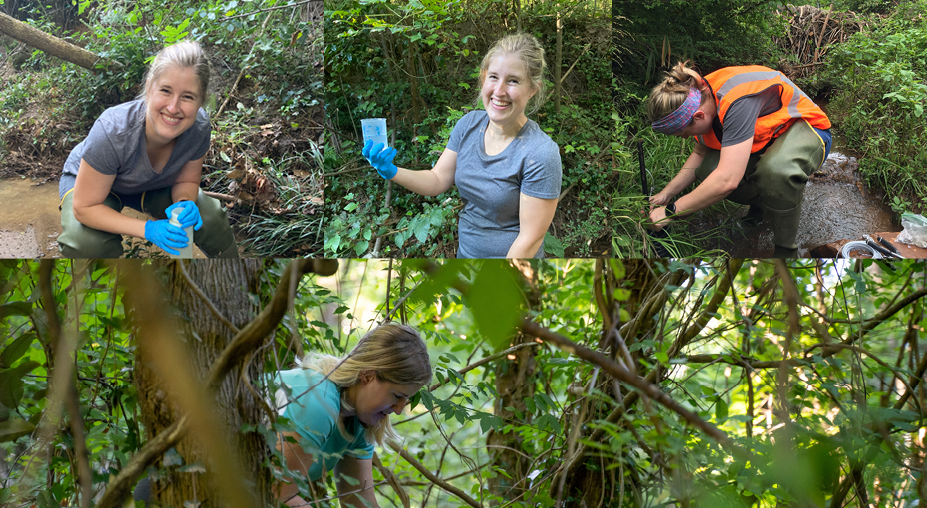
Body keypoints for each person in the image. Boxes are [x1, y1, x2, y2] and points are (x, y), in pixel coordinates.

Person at [362, 33, 562, 258]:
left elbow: (529, 240)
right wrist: (392, 172)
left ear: (533, 89)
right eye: (494, 77)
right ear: (484, 78)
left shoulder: (540, 153)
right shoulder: (468, 125)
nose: (499, 91)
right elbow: (437, 180)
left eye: (513, 80)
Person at [58, 40, 239, 258]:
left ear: (201, 101)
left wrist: (184, 203)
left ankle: (236, 280)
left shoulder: (198, 127)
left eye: (188, 96)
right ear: (149, 87)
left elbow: (186, 181)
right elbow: (84, 208)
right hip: (90, 186)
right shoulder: (112, 130)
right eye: (165, 90)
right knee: (86, 244)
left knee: (208, 217)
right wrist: (149, 230)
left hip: (150, 186)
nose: (173, 107)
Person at [646, 62, 832, 258]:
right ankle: (764, 207)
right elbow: (700, 155)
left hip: (809, 128)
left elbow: (728, 180)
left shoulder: (736, 101)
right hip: (768, 139)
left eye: (684, 133)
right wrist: (666, 194)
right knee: (708, 169)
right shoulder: (698, 100)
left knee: (776, 172)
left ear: (698, 116)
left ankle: (786, 252)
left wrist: (671, 211)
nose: (685, 138)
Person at [273, 323, 432, 508]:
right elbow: (279, 495)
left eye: (407, 400)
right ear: (367, 375)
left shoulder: (358, 424)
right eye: (397, 396)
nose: (398, 409)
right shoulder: (317, 402)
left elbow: (359, 504)